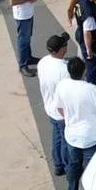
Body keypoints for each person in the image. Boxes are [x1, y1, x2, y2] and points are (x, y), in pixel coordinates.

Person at [54, 57, 96, 190]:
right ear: (84, 71)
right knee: (91, 171)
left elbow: (60, 108)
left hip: (72, 136)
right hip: (91, 137)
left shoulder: (62, 86)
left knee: (73, 167)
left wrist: (70, 119)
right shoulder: (91, 90)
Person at [36, 33, 70, 177]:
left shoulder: (42, 62)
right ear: (62, 49)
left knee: (56, 136)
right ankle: (67, 166)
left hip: (49, 107)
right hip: (62, 112)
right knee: (65, 140)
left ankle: (57, 164)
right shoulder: (65, 69)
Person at [8, 0, 43, 77]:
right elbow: (12, 2)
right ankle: (23, 65)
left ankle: (28, 57)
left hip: (28, 12)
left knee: (28, 37)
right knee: (23, 40)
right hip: (21, 15)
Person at [75, 0, 96, 86]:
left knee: (93, 68)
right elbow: (87, 32)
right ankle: (93, 88)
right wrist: (89, 50)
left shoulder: (81, 1)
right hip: (92, 43)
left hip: (81, 36)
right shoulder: (88, 12)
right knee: (93, 69)